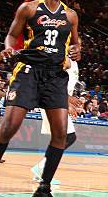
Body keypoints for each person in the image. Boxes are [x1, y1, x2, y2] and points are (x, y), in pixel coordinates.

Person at [0, 0, 80, 197]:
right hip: (29, 71)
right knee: (8, 128)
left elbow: (75, 42)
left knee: (61, 134)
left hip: (55, 76)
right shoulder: (29, 9)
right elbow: (11, 35)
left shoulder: (71, 15)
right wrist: (9, 48)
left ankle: (43, 189)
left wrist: (77, 50)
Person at [30, 57, 81, 185]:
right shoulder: (62, 58)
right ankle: (42, 169)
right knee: (68, 137)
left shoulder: (74, 63)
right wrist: (66, 100)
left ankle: (42, 172)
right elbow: (51, 79)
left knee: (63, 138)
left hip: (58, 101)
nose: (77, 47)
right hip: (53, 100)